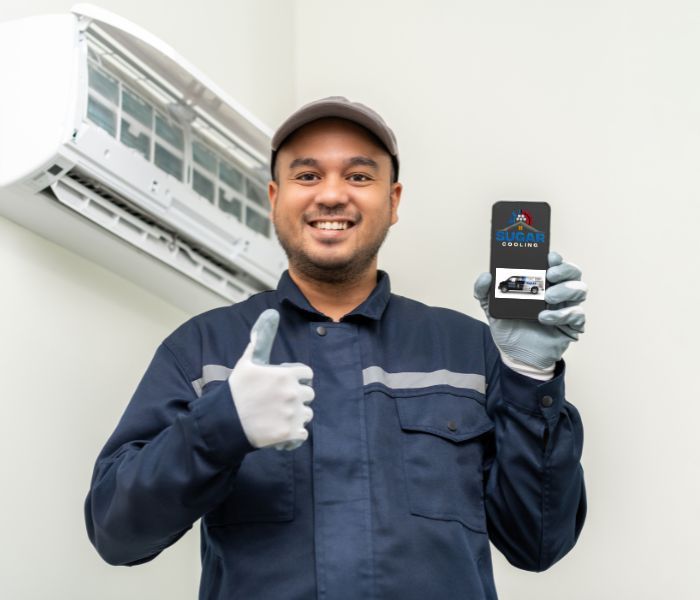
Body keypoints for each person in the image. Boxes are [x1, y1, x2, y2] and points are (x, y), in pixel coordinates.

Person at [85, 96, 587, 599]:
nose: (331, 195)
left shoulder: (468, 351)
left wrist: (528, 375)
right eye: (306, 176)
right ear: (273, 198)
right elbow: (117, 533)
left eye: (359, 177)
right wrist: (221, 425)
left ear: (393, 201)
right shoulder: (202, 348)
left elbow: (538, 542)